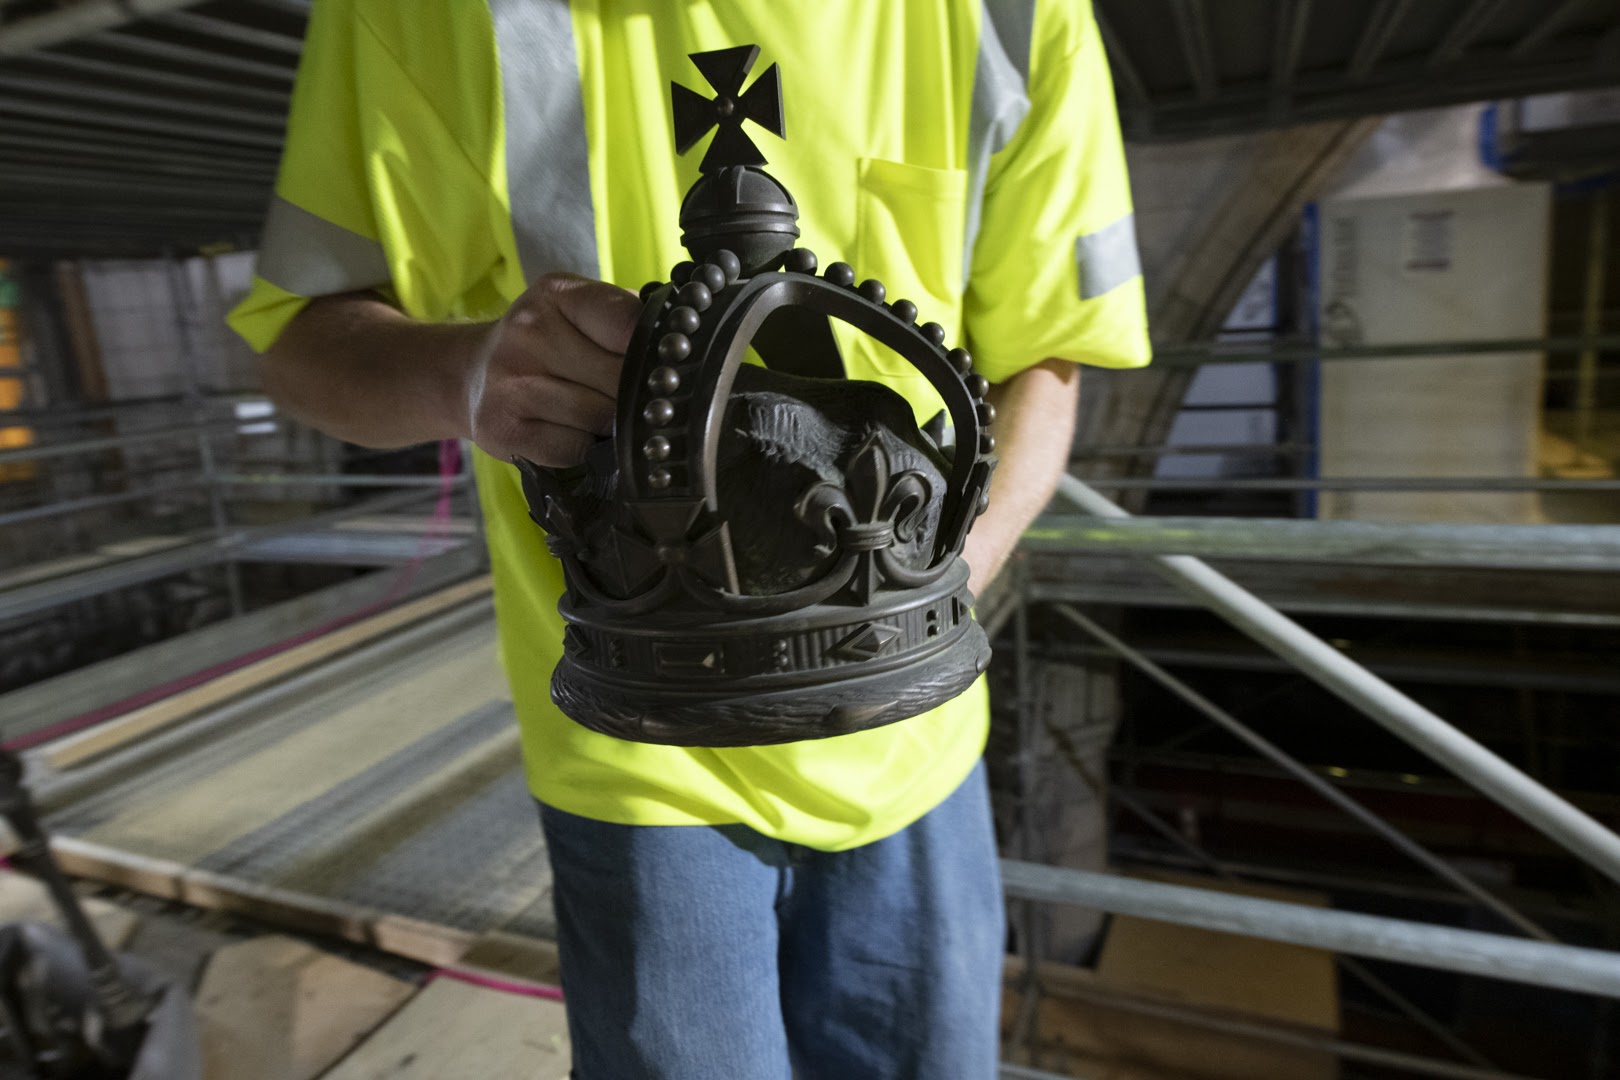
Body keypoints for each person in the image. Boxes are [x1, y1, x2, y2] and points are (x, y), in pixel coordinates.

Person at [229, 1, 1150, 1076]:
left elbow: (1049, 358)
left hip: (915, 738)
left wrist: (925, 590)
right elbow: (299, 343)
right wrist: (465, 369)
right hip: (638, 741)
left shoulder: (1015, 16)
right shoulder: (410, 15)